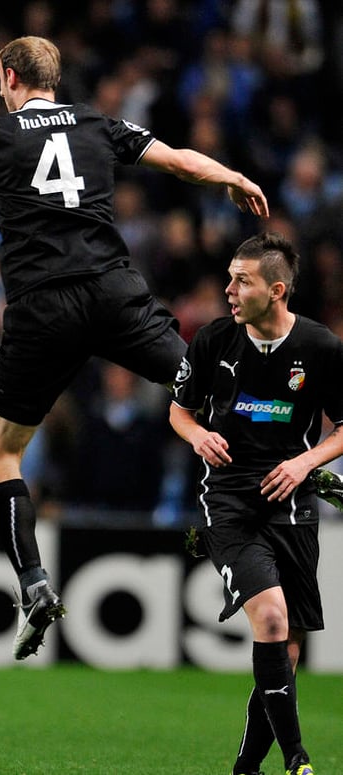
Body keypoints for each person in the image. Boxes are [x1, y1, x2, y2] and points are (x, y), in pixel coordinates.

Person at [0, 35, 269, 661]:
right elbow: (177, 160)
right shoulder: (97, 122)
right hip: (115, 295)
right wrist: (230, 175)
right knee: (207, 385)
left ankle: (34, 583)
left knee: (1, 451)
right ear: (55, 78)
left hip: (44, 308)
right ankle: (297, 463)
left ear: (8, 76)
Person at [169, 233, 343, 775]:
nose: (228, 289)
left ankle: (246, 767)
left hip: (291, 501)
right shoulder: (213, 341)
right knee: (270, 618)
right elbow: (179, 411)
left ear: (276, 289)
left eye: (240, 280)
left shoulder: (320, 348)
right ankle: (298, 758)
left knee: (287, 650)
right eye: (229, 277)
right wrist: (197, 436)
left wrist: (306, 461)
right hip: (229, 501)